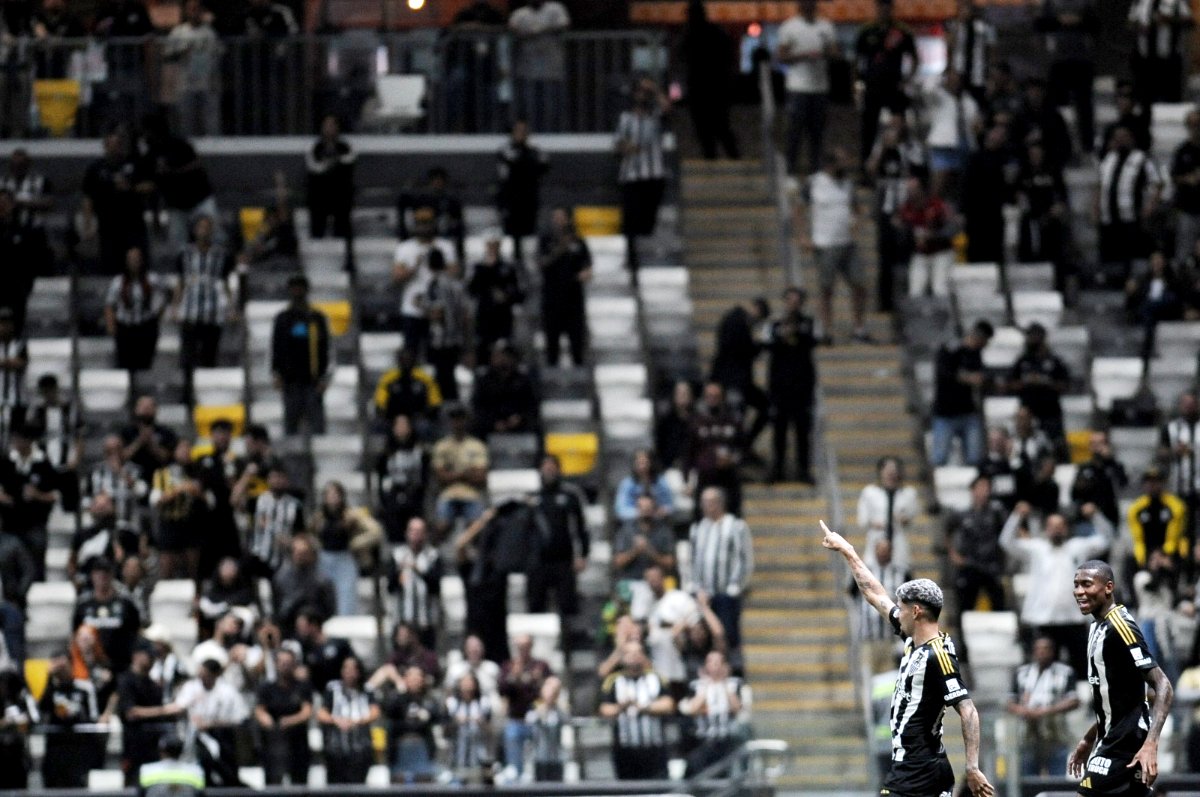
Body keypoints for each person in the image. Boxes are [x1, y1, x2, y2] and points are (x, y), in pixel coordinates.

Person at [820, 520, 994, 797]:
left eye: (901, 609)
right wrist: (848, 551)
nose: (895, 612)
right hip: (911, 766)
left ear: (915, 612)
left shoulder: (938, 654)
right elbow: (875, 595)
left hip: (920, 769)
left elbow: (968, 710)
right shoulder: (913, 641)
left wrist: (972, 767)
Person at [1068, 560, 1173, 794]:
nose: (1079, 592)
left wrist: (1151, 744)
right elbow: (1118, 700)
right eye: (1076, 585)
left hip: (1125, 743)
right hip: (1111, 739)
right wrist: (1088, 738)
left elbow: (1163, 685)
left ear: (1108, 587)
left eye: (1087, 584)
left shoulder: (1120, 626)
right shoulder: (1097, 626)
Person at [1000, 503, 1113, 676]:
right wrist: (1016, 516)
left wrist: (1095, 515)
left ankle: (1082, 700)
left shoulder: (1077, 547)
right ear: (1046, 529)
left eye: (1060, 526)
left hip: (1073, 619)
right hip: (1044, 620)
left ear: (1066, 529)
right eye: (1052, 527)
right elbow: (1006, 542)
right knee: (1044, 669)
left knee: (1083, 667)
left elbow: (1107, 539)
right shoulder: (1037, 549)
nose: (1056, 530)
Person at [800, 148, 870, 343]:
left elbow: (856, 208)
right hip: (825, 243)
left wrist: (856, 221)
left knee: (859, 284)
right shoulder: (814, 182)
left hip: (847, 242)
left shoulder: (847, 184)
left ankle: (859, 328)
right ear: (830, 164)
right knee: (826, 288)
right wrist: (803, 236)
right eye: (842, 162)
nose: (845, 166)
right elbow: (799, 209)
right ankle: (826, 330)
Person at [171, 215, 236, 403]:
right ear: (194, 229)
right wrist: (175, 307)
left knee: (209, 355)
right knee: (188, 355)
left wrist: (231, 307)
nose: (204, 230)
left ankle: (206, 394)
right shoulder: (185, 253)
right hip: (190, 310)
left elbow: (225, 282)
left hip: (213, 310)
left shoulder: (221, 254)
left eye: (207, 227)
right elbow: (180, 281)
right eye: (200, 226)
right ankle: (187, 394)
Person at [866, 115, 928, 312]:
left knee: (907, 253)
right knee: (885, 256)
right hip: (887, 205)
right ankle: (885, 302)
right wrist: (884, 147)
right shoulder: (881, 146)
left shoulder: (912, 147)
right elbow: (871, 170)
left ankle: (907, 299)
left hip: (908, 205)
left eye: (897, 125)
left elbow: (918, 172)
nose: (894, 129)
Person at [688, 487, 753, 655]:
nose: (705, 506)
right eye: (703, 502)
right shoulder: (699, 528)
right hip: (704, 594)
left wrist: (738, 585)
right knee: (704, 638)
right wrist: (695, 585)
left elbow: (745, 558)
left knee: (727, 637)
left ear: (720, 503)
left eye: (709, 502)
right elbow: (694, 559)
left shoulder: (736, 526)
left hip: (726, 593)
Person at [598, 640, 676, 780]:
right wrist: (622, 706)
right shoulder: (613, 680)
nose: (634, 656)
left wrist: (644, 707)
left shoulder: (656, 678)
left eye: (638, 652)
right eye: (629, 653)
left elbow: (669, 704)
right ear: (622, 658)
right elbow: (604, 709)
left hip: (654, 748)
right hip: (625, 750)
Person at [616, 77, 670, 273]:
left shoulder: (654, 116)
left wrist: (655, 88)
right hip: (631, 176)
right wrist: (628, 147)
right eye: (638, 91)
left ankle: (645, 254)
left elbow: (666, 107)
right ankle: (632, 258)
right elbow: (619, 143)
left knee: (647, 220)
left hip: (653, 175)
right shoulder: (626, 118)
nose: (641, 95)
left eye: (643, 92)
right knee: (630, 219)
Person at [854, 0, 918, 164]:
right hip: (872, 87)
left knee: (899, 127)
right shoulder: (867, 31)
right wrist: (857, 85)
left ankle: (901, 163)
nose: (884, 10)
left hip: (894, 87)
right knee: (869, 129)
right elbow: (856, 60)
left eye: (887, 7)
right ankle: (866, 167)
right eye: (881, 6)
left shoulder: (901, 31)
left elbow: (914, 58)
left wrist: (907, 80)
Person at [764, 287, 817, 483]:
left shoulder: (808, 323)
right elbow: (768, 345)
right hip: (780, 387)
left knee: (803, 431)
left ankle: (803, 470)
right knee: (779, 431)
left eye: (797, 301)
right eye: (790, 300)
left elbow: (810, 343)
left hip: (802, 387)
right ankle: (777, 468)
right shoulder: (775, 323)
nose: (793, 304)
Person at [777, 0, 836, 175]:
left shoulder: (826, 26)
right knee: (794, 132)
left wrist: (823, 54)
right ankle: (790, 170)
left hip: (820, 88)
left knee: (817, 133)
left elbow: (834, 52)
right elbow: (781, 56)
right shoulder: (789, 27)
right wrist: (802, 56)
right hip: (797, 87)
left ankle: (816, 172)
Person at [1096, 125, 1162, 281]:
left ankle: (1131, 282)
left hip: (1130, 216)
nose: (1120, 140)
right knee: (1111, 253)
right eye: (1117, 137)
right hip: (1109, 216)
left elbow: (1157, 182)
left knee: (1130, 253)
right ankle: (1112, 282)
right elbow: (1100, 184)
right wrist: (1095, 206)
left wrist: (1150, 205)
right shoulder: (1109, 158)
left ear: (1131, 138)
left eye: (1123, 136)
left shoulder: (1141, 158)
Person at [1007, 636, 1080, 776]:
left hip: (1056, 734)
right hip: (1028, 735)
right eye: (1038, 649)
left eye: (1045, 649)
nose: (1042, 652)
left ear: (1052, 652)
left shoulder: (1065, 672)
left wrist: (1047, 711)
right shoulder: (1022, 673)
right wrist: (1024, 711)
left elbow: (1074, 700)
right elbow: (1010, 701)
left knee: (1057, 778)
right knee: (1028, 779)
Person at [392, 206, 459, 358]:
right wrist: (415, 266)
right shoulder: (405, 248)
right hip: (413, 308)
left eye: (427, 223)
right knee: (411, 351)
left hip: (439, 309)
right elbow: (396, 277)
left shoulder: (444, 246)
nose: (424, 227)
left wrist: (437, 262)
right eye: (420, 223)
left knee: (438, 353)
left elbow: (455, 274)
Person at [309, 480, 383, 617]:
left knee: (346, 599)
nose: (332, 498)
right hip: (324, 559)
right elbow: (310, 534)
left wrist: (356, 543)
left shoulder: (352, 514)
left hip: (345, 558)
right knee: (324, 597)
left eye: (335, 494)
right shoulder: (319, 516)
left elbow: (376, 531)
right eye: (329, 495)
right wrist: (316, 546)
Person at [82, 131, 151, 275]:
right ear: (105, 146)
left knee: (137, 261)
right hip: (108, 225)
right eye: (111, 145)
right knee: (110, 265)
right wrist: (88, 224)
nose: (115, 148)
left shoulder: (134, 164)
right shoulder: (95, 169)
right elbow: (88, 197)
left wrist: (130, 187)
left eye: (118, 144)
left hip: (133, 223)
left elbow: (150, 185)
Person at [528, 454, 588, 616]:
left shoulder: (570, 495)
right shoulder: (531, 498)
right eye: (545, 466)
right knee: (536, 606)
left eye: (552, 466)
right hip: (538, 561)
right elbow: (525, 531)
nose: (549, 469)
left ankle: (568, 640)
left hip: (564, 560)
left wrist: (582, 554)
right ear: (540, 470)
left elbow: (581, 527)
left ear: (559, 469)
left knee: (568, 606)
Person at [271, 275, 331, 436]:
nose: (297, 291)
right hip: (290, 383)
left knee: (318, 429)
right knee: (290, 429)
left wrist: (325, 378)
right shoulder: (282, 319)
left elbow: (327, 349)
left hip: (313, 382)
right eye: (294, 287)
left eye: (300, 287)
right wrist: (276, 374)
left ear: (306, 290)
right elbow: (275, 347)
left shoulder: (317, 318)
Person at [1037, 0, 1098, 155]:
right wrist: (1059, 20)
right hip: (1058, 60)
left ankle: (1087, 146)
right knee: (1051, 105)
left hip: (1082, 59)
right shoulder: (1051, 3)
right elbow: (1040, 25)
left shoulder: (1087, 3)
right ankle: (1055, 145)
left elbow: (1096, 25)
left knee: (1084, 106)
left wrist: (1079, 21)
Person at [680, 0, 740, 161]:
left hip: (708, 86)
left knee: (712, 126)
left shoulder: (693, 33)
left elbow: (681, 58)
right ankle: (727, 156)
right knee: (716, 126)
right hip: (710, 86)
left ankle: (719, 156)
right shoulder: (712, 31)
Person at [931, 319, 993, 467]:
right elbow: (943, 374)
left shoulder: (976, 355)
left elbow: (983, 376)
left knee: (974, 459)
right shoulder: (950, 349)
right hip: (945, 412)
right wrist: (967, 378)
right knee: (939, 458)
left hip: (968, 411)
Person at [119, 640, 182, 783]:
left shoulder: (153, 684)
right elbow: (131, 713)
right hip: (134, 746)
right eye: (149, 656)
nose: (153, 660)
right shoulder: (127, 680)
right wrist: (165, 710)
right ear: (137, 656)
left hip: (153, 747)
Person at [679, 649, 748, 776]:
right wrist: (706, 685)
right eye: (711, 662)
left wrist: (725, 684)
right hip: (703, 740)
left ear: (725, 666)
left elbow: (737, 709)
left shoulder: (734, 684)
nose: (715, 666)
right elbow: (692, 709)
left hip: (727, 740)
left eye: (718, 663)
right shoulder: (696, 685)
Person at [38, 649, 100, 787]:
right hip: (55, 751)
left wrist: (75, 714)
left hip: (78, 751)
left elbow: (93, 718)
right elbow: (42, 709)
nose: (60, 669)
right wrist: (49, 679)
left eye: (62, 664)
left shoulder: (84, 688)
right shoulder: (52, 689)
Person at [538, 207, 591, 367]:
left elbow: (587, 265)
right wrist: (561, 248)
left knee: (576, 337)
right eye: (556, 217)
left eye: (561, 217)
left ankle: (578, 366)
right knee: (552, 338)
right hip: (552, 297)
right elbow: (541, 263)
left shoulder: (579, 241)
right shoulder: (546, 240)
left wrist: (585, 273)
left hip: (573, 297)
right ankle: (552, 367)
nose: (558, 221)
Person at [508, 0, 570, 132]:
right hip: (527, 71)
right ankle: (532, 134)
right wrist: (529, 34)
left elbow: (563, 25)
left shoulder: (555, 8)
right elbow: (512, 28)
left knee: (552, 108)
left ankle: (553, 135)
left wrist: (539, 31)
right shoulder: (520, 13)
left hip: (552, 71)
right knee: (529, 108)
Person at [947, 475, 1008, 611]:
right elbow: (948, 530)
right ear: (972, 490)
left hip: (991, 564)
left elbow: (1007, 533)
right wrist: (953, 553)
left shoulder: (997, 512)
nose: (984, 491)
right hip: (969, 563)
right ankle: (962, 631)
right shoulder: (962, 513)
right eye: (981, 487)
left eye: (987, 488)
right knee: (965, 606)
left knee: (999, 602)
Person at [1009, 323, 1070, 455]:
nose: (1032, 339)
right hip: (1029, 410)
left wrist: (1045, 381)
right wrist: (1027, 381)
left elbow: (1064, 385)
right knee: (1026, 444)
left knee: (1056, 444)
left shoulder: (1054, 361)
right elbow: (1011, 384)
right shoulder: (1022, 361)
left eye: (1035, 336)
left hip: (1050, 410)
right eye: (1030, 336)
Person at [254, 647, 312, 785]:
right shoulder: (266, 687)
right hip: (273, 743)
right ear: (275, 664)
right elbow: (259, 710)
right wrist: (268, 721)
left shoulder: (302, 686)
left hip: (297, 743)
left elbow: (306, 711)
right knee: (273, 782)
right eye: (282, 662)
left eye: (289, 662)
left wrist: (289, 721)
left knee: (299, 783)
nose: (285, 666)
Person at [105, 247, 168, 375]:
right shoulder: (118, 282)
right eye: (131, 259)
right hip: (125, 327)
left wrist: (157, 316)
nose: (134, 262)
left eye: (137, 259)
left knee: (145, 364)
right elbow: (110, 304)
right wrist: (111, 325)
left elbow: (164, 297)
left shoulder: (152, 279)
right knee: (125, 364)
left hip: (146, 326)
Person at [165, 0, 222, 137]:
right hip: (185, 83)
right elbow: (167, 56)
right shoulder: (178, 32)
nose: (194, 12)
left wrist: (215, 79)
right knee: (186, 120)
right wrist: (181, 53)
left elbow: (217, 56)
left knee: (210, 120)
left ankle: (213, 148)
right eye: (191, 9)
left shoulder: (209, 32)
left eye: (197, 9)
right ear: (186, 11)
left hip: (206, 82)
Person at [922, 69, 982, 200]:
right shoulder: (939, 97)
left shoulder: (968, 101)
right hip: (943, 144)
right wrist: (941, 76)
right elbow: (927, 89)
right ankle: (932, 210)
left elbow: (975, 122)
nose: (955, 82)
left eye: (957, 79)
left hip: (963, 146)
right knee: (939, 183)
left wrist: (977, 125)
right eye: (951, 79)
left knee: (959, 186)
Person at [318, 656, 379, 785]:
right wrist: (337, 721)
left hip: (360, 747)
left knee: (357, 785)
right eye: (346, 668)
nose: (349, 672)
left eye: (353, 669)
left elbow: (375, 712)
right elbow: (321, 713)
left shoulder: (367, 690)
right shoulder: (332, 688)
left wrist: (357, 721)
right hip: (336, 748)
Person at [150, 438, 205, 581]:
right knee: (167, 567)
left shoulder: (197, 471)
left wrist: (196, 491)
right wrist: (179, 490)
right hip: (169, 523)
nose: (186, 452)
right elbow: (156, 500)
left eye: (188, 448)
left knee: (193, 569)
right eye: (182, 448)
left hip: (191, 523)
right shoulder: (162, 473)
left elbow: (208, 499)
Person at [498, 634, 552, 778]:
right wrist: (513, 676)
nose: (523, 649)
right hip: (515, 719)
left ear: (531, 646)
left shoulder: (541, 665)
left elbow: (551, 686)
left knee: (538, 760)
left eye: (526, 646)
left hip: (536, 719)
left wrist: (537, 679)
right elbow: (502, 690)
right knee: (515, 765)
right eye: (520, 646)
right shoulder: (508, 666)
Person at [74, 557, 141, 671]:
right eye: (98, 572)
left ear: (112, 574)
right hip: (91, 667)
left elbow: (136, 633)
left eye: (105, 571)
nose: (102, 576)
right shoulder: (83, 605)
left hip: (122, 666)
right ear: (92, 575)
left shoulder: (125, 604)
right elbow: (74, 635)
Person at [431, 404, 488, 536]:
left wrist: (451, 474)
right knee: (440, 526)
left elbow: (480, 477)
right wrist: (465, 473)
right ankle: (434, 555)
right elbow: (440, 477)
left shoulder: (477, 446)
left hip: (471, 493)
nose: (457, 423)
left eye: (460, 419)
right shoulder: (442, 446)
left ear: (466, 421)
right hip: (448, 494)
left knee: (476, 527)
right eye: (454, 419)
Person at [897, 177, 957, 299]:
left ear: (921, 190)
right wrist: (903, 231)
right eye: (908, 190)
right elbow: (902, 234)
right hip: (920, 254)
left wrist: (933, 236)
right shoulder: (906, 209)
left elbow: (952, 230)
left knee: (939, 289)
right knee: (915, 292)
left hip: (941, 252)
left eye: (913, 189)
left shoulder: (937, 205)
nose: (910, 193)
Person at [496, 121, 548, 263]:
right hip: (512, 201)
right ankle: (515, 261)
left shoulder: (534, 151)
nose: (521, 134)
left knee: (530, 233)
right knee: (513, 234)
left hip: (529, 200)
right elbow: (509, 167)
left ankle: (529, 261)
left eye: (524, 131)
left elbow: (543, 165)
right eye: (518, 131)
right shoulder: (506, 151)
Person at [858, 456, 919, 574]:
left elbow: (911, 517)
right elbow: (863, 519)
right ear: (880, 472)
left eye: (894, 471)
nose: (891, 474)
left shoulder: (908, 493)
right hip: (876, 540)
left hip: (898, 538)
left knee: (900, 570)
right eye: (887, 471)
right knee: (873, 572)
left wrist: (902, 519)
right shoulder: (870, 492)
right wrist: (875, 523)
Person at [468, 238, 525, 361]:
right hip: (484, 317)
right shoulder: (479, 267)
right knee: (483, 349)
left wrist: (506, 296)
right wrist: (487, 268)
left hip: (503, 318)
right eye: (490, 245)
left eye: (495, 245)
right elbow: (472, 290)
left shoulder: (508, 267)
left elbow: (519, 294)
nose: (492, 249)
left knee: (504, 350)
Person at [388, 517, 442, 649]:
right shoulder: (397, 555)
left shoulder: (433, 556)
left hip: (426, 621)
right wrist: (399, 571)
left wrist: (418, 570)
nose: (416, 535)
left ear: (425, 534)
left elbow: (436, 586)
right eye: (413, 531)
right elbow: (390, 587)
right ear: (407, 533)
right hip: (403, 620)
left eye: (420, 531)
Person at [1128, 0, 1191, 108]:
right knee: (1144, 97)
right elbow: (1130, 22)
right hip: (1144, 59)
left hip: (1168, 60)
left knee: (1169, 99)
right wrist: (1139, 26)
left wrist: (1168, 20)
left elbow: (1189, 21)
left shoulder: (1176, 1)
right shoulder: (1140, 2)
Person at [471, 340, 539, 438]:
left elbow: (532, 404)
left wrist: (520, 417)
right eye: (497, 355)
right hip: (492, 422)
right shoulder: (484, 380)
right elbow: (478, 406)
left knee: (535, 426)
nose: (501, 359)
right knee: (475, 426)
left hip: (517, 422)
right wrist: (493, 422)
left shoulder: (523, 379)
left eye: (504, 355)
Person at [376, 415, 428, 543]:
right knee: (391, 516)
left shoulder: (420, 451)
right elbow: (381, 478)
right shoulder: (386, 453)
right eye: (398, 425)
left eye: (405, 425)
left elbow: (424, 478)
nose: (401, 428)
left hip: (414, 493)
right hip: (393, 492)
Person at [247, 464, 304, 578]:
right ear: (268, 480)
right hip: (260, 556)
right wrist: (247, 475)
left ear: (286, 480)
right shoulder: (259, 500)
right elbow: (235, 501)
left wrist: (290, 542)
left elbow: (301, 532)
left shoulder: (295, 505)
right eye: (274, 477)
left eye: (280, 477)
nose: (277, 481)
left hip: (284, 558)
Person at [1158, 390, 1200, 545]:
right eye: (1186, 404)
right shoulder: (1171, 428)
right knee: (1179, 532)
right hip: (1178, 488)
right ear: (1181, 406)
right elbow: (1161, 454)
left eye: (1192, 404)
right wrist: (1174, 452)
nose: (1189, 407)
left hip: (1198, 486)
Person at [305, 114, 356, 240]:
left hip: (340, 191)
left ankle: (341, 235)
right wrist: (327, 165)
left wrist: (335, 161)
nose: (329, 128)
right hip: (321, 192)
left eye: (332, 125)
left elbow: (350, 158)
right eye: (326, 125)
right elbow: (313, 166)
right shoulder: (316, 147)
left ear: (337, 127)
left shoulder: (345, 146)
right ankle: (317, 235)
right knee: (316, 194)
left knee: (343, 193)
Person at [1127, 466, 1188, 570]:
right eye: (1149, 482)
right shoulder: (1136, 509)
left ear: (1163, 483)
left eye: (1156, 481)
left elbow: (1173, 538)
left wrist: (1163, 554)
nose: (1152, 485)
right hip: (1147, 550)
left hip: (1170, 549)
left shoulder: (1175, 506)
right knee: (1129, 561)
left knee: (1181, 553)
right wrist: (1143, 560)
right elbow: (1138, 540)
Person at [272, 536, 336, 632]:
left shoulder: (322, 581)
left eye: (303, 553)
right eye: (296, 551)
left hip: (315, 629)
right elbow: (278, 609)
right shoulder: (281, 578)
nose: (299, 556)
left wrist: (310, 617)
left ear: (312, 554)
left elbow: (330, 610)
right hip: (288, 628)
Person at [613, 493, 677, 585]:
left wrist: (650, 551)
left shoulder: (664, 531)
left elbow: (670, 563)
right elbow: (618, 562)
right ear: (637, 508)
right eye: (642, 507)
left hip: (658, 584)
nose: (645, 511)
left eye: (648, 508)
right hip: (633, 582)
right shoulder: (626, 530)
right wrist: (635, 551)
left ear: (654, 509)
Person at [373, 347, 441, 430]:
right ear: (398, 360)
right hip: (393, 420)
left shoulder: (425, 378)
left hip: (418, 419)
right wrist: (394, 419)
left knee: (425, 426)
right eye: (403, 359)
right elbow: (380, 404)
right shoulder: (388, 378)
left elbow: (435, 403)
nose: (406, 362)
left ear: (414, 360)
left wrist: (425, 416)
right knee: (380, 426)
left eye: (409, 359)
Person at [946, 0, 995, 105]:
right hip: (958, 74)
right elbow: (950, 46)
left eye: (966, 6)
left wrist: (990, 75)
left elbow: (991, 51)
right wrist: (959, 22)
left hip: (977, 74)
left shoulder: (984, 26)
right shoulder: (953, 25)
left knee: (977, 103)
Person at [613, 449, 674, 522]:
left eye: (645, 463)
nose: (643, 467)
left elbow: (670, 505)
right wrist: (642, 512)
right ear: (634, 465)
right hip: (634, 523)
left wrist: (663, 510)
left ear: (651, 463)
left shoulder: (661, 482)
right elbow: (620, 510)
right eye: (639, 463)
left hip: (658, 522)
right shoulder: (627, 484)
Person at [1171, 110, 1200, 265]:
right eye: (1192, 125)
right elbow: (1174, 176)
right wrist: (1188, 179)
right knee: (1184, 250)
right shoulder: (1182, 151)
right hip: (1187, 208)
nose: (1196, 128)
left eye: (1198, 124)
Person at [137, 735, 205, 797]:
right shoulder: (196, 771)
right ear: (181, 751)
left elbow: (140, 794)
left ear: (161, 751)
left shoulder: (146, 771)